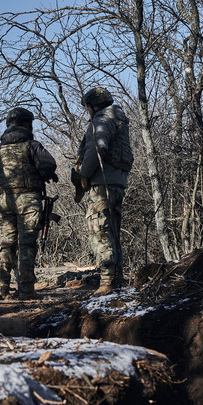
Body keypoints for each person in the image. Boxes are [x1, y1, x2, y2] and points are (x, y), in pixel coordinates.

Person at [0, 107, 57, 300]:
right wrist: (45, 175)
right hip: (28, 201)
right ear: (27, 124)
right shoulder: (32, 145)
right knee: (26, 245)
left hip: (5, 201)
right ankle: (26, 290)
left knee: (6, 245)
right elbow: (48, 165)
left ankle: (2, 289)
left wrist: (0, 184)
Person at [77, 87, 133, 296]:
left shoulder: (101, 120)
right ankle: (116, 279)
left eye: (87, 107)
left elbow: (97, 148)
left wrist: (84, 174)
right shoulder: (119, 120)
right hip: (118, 182)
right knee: (113, 232)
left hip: (102, 183)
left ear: (94, 105)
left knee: (100, 232)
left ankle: (107, 283)